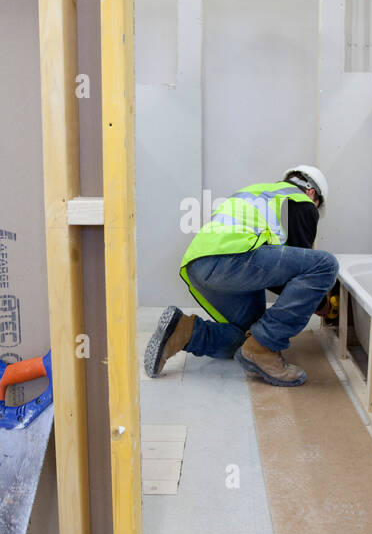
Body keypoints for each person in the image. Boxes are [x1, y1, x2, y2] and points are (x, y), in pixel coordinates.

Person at [144, 165, 339, 387]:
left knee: (249, 336)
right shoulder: (300, 200)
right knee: (325, 265)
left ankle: (184, 331)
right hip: (230, 261)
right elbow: (302, 269)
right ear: (312, 193)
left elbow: (280, 274)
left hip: (200, 265)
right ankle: (264, 350)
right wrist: (321, 303)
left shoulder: (259, 193)